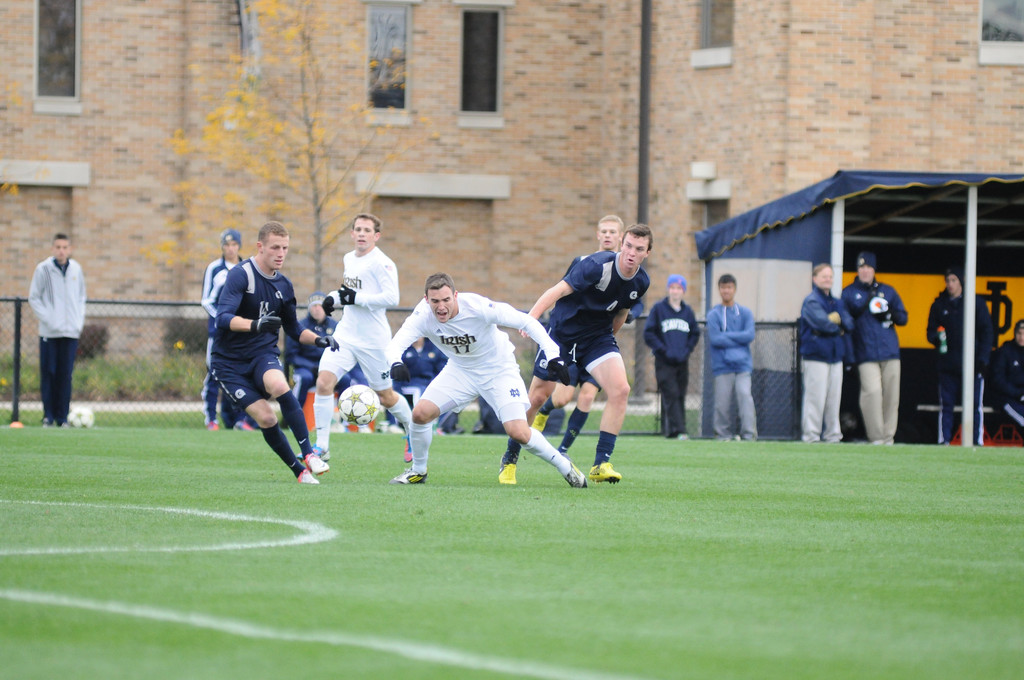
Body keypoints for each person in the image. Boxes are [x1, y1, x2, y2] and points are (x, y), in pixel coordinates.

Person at [385, 272, 586, 488]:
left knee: (518, 431)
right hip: (460, 370)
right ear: (426, 300)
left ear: (455, 295)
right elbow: (394, 345)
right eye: (435, 301)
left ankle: (565, 466)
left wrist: (553, 354)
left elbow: (526, 321)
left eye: (446, 300)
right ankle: (418, 471)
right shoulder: (422, 315)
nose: (441, 307)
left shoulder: (478, 307)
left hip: (498, 369)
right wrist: (395, 363)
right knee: (420, 414)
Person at [499, 223, 652, 484]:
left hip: (597, 339)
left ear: (647, 253)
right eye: (627, 245)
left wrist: (607, 346)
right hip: (562, 335)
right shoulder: (596, 265)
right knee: (537, 398)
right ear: (621, 244)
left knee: (621, 390)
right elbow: (556, 292)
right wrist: (531, 320)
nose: (631, 253)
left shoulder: (641, 281)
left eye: (639, 249)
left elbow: (622, 312)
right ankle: (510, 459)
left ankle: (601, 463)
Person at [211, 221, 339, 484]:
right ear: (260, 247)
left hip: (262, 355)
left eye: (285, 248)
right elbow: (222, 318)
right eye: (275, 247)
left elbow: (293, 329)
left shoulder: (284, 285)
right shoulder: (240, 275)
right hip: (228, 364)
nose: (281, 253)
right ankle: (299, 471)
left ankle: (309, 455)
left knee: (279, 384)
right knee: (267, 417)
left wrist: (320, 340)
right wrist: (255, 325)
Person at [529, 214, 641, 457]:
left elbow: (630, 305)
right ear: (598, 235)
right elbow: (563, 291)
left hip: (596, 342)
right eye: (605, 231)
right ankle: (542, 414)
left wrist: (614, 328)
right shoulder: (586, 262)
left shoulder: (635, 276)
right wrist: (535, 318)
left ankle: (566, 450)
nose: (609, 235)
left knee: (590, 395)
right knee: (560, 399)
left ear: (621, 237)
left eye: (613, 231)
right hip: (569, 338)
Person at [311, 213, 414, 463]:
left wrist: (356, 299)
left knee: (386, 397)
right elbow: (349, 292)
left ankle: (413, 432)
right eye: (357, 229)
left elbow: (392, 298)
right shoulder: (349, 258)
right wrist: (332, 299)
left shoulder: (383, 263)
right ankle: (322, 446)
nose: (361, 234)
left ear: (376, 236)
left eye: (367, 230)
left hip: (373, 340)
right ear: (351, 233)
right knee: (324, 382)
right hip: (346, 334)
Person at [840, 251, 909, 445]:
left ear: (874, 269)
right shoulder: (849, 292)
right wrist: (850, 358)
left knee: (891, 395)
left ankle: (888, 437)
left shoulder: (888, 291)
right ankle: (876, 437)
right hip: (865, 352)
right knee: (872, 392)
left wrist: (890, 313)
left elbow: (903, 318)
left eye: (868, 267)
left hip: (890, 350)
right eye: (861, 267)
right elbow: (847, 325)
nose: (865, 271)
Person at [925, 266, 994, 445]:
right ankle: (944, 441)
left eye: (954, 280)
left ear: (961, 281)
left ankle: (976, 442)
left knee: (974, 406)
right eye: (948, 281)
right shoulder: (939, 304)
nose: (950, 284)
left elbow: (987, 333)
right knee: (946, 405)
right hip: (948, 365)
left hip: (973, 365)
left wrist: (983, 360)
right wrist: (938, 339)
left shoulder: (976, 303)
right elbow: (930, 332)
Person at [28, 233, 87, 427]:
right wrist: (50, 320)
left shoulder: (76, 269)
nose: (61, 251)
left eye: (65, 247)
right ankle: (48, 416)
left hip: (70, 332)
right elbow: (34, 298)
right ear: (53, 249)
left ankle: (63, 417)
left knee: (65, 374)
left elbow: (80, 298)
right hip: (49, 333)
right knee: (49, 373)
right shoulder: (43, 269)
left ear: (69, 249)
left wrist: (77, 323)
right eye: (58, 247)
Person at [799, 263, 853, 443]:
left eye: (830, 276)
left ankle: (833, 436)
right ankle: (811, 435)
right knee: (815, 398)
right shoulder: (811, 300)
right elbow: (823, 324)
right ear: (815, 279)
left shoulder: (836, 301)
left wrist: (837, 321)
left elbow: (850, 323)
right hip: (816, 356)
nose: (828, 280)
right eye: (824, 276)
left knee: (833, 399)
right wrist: (837, 324)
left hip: (835, 356)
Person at [643, 274, 700, 439]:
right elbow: (649, 334)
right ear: (669, 289)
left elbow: (694, 334)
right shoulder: (659, 309)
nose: (675, 291)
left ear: (683, 291)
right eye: (672, 287)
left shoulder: (687, 312)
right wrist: (663, 350)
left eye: (679, 288)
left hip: (682, 361)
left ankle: (670, 430)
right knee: (671, 393)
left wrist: (687, 350)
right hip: (664, 361)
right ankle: (680, 431)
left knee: (680, 394)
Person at [200, 228, 244, 431]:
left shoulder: (246, 267)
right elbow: (206, 301)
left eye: (234, 244)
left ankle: (240, 420)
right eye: (227, 245)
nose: (230, 249)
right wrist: (223, 319)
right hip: (218, 333)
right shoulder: (214, 269)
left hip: (241, 333)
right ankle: (211, 418)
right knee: (214, 374)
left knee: (240, 375)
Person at [706, 273, 757, 441]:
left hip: (743, 366)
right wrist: (738, 337)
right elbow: (715, 338)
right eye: (723, 287)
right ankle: (722, 435)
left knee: (745, 397)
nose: (726, 291)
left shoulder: (745, 313)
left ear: (734, 289)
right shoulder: (714, 314)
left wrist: (727, 335)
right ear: (719, 290)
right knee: (722, 403)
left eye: (729, 287)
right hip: (722, 365)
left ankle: (749, 435)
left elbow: (749, 335)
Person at [285, 291, 338, 402]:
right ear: (309, 308)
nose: (317, 309)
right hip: (304, 368)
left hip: (327, 367)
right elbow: (291, 355)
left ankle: (345, 417)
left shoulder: (335, 326)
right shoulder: (299, 326)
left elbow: (340, 352)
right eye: (314, 306)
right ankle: (294, 416)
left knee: (345, 379)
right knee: (304, 378)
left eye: (320, 305)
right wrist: (311, 366)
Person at [990, 319, 1024, 431]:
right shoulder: (1005, 351)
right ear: (1014, 333)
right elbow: (998, 380)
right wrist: (1017, 393)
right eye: (1019, 333)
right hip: (1006, 398)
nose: (1022, 337)